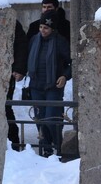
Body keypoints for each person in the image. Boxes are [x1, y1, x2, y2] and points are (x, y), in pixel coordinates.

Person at [26, 13, 72, 157]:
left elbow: (71, 62)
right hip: (36, 86)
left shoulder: (60, 42)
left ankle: (59, 145)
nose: (42, 30)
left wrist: (65, 76)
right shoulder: (34, 40)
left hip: (53, 87)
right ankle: (46, 148)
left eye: (46, 28)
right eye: (40, 27)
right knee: (40, 119)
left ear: (52, 29)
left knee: (52, 118)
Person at [6, 20, 29, 151]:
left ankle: (14, 142)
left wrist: (19, 69)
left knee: (6, 107)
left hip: (6, 71)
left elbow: (21, 46)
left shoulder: (13, 23)